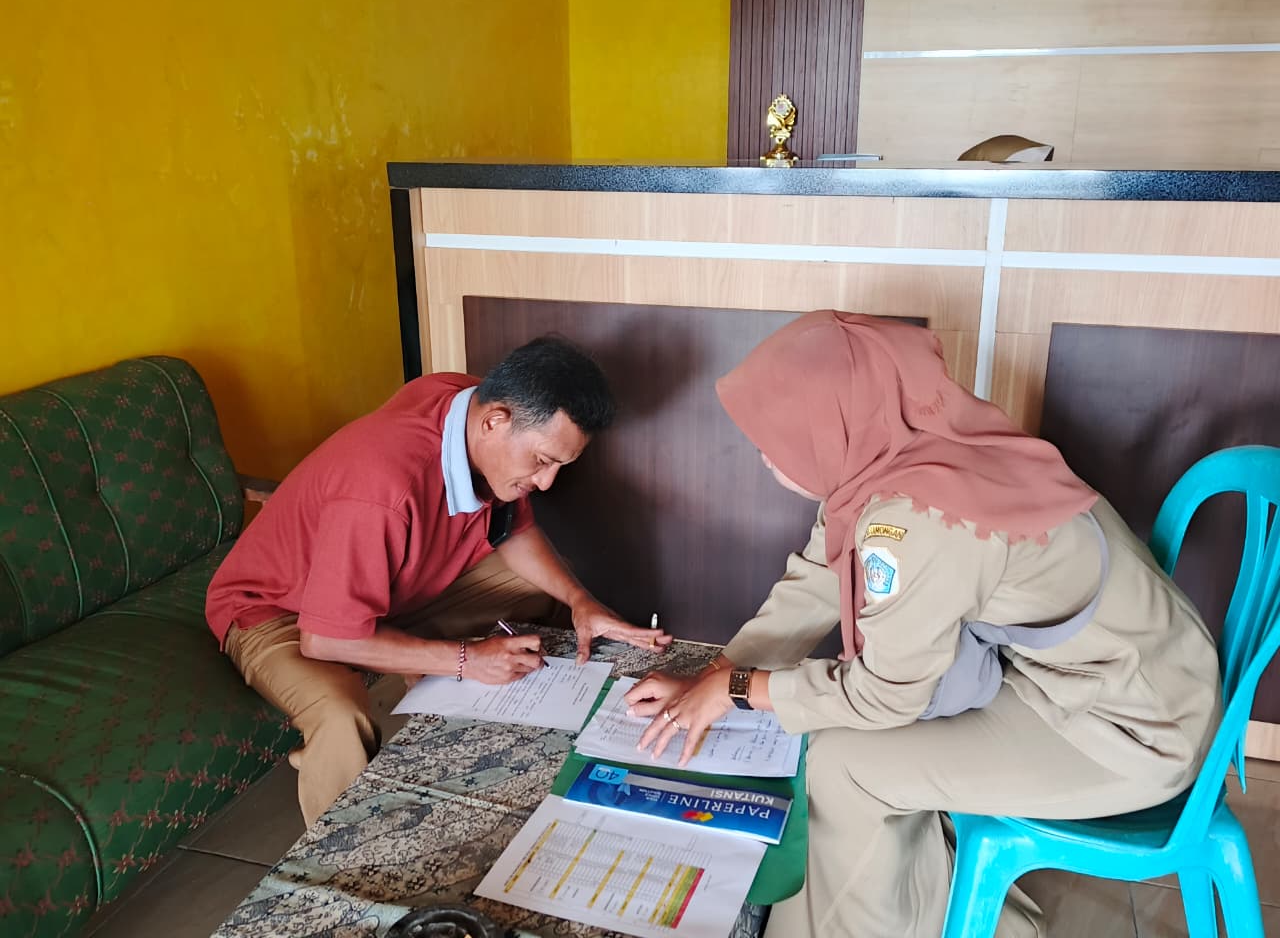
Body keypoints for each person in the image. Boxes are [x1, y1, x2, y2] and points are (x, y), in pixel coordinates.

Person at [625, 311, 1221, 938]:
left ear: (830, 429)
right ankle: (941, 915)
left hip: (1134, 730)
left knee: (846, 767)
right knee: (835, 737)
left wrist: (740, 689)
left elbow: (886, 694)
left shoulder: (914, 519)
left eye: (774, 439)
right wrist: (719, 674)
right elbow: (819, 575)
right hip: (1120, 679)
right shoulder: (907, 448)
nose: (765, 455)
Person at [207, 336, 672, 825]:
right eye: (541, 460)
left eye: (560, 464)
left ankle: (512, 737)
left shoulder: (467, 405)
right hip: (281, 613)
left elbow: (511, 528)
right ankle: (345, 853)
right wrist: (467, 659)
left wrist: (580, 601)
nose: (546, 482)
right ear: (495, 422)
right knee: (341, 717)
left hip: (395, 587)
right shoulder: (379, 489)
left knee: (544, 587)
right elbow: (327, 639)